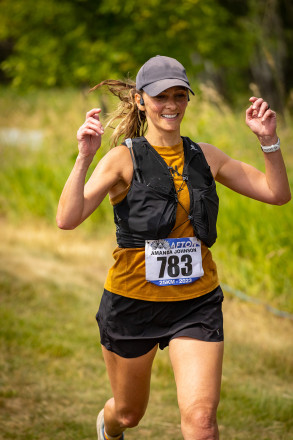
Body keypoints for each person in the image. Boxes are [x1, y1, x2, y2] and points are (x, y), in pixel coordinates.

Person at [56, 55, 291, 440]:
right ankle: (108, 425)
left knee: (202, 420)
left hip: (196, 303)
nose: (171, 104)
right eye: (161, 95)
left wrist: (269, 142)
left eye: (179, 95)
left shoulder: (206, 156)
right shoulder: (122, 159)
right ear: (140, 100)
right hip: (133, 303)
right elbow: (67, 218)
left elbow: (277, 194)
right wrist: (85, 156)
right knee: (129, 413)